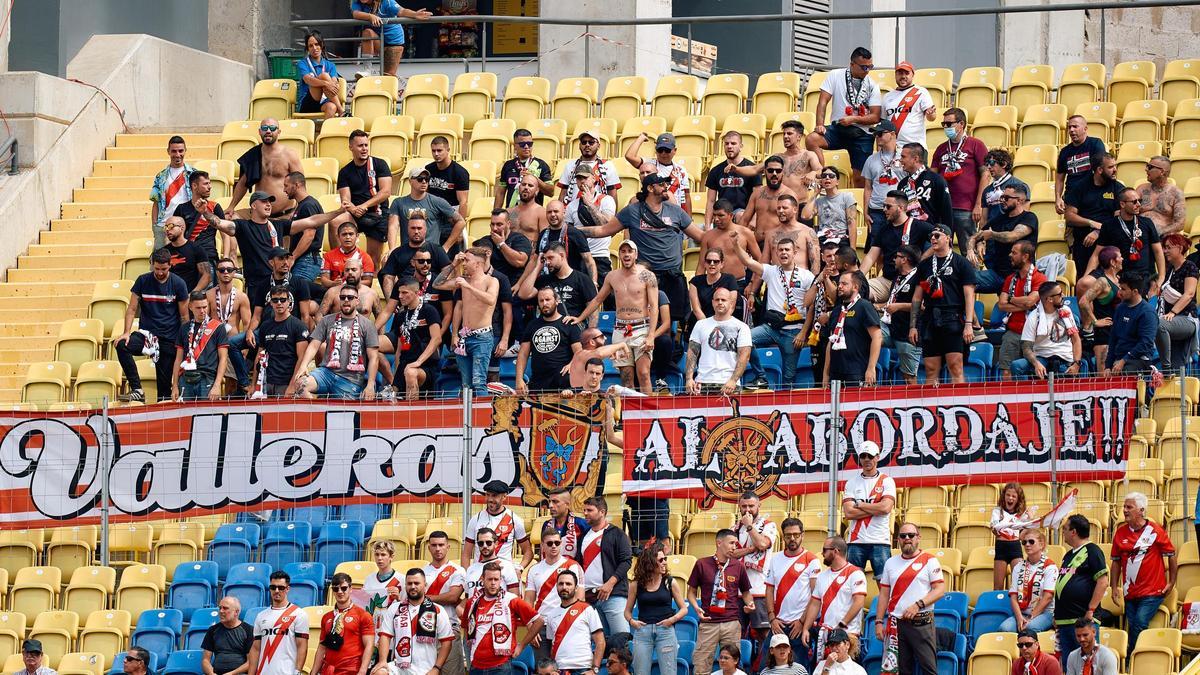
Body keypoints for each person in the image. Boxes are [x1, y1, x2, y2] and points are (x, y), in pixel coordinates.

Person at [576, 173, 705, 325]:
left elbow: (701, 237)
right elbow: (604, 230)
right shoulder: (632, 211)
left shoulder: (676, 211)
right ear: (650, 188)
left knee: (672, 324)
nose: (666, 188)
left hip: (672, 276)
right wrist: (574, 231)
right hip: (644, 276)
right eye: (662, 185)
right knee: (645, 320)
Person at [209, 192, 343, 307]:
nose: (268, 205)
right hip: (257, 285)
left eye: (269, 202)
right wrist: (205, 212)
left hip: (281, 281)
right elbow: (220, 223)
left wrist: (338, 212)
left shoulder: (278, 225)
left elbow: (311, 221)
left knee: (325, 293)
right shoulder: (243, 226)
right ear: (254, 206)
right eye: (264, 202)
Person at [571, 240, 658, 393]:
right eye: (623, 251)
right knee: (626, 377)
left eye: (629, 251)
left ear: (635, 254)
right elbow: (598, 299)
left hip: (641, 327)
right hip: (621, 329)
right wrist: (580, 317)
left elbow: (654, 306)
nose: (626, 254)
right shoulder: (612, 276)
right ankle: (626, 414)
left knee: (644, 373)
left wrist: (651, 335)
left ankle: (647, 414)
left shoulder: (647, 276)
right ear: (619, 255)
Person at [732, 232, 815, 388]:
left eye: (787, 250)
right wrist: (736, 245)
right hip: (771, 328)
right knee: (744, 338)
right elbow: (748, 262)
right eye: (781, 250)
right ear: (776, 253)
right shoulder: (771, 271)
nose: (783, 253)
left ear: (794, 252)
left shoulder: (807, 276)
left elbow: (812, 307)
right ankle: (761, 376)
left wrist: (803, 333)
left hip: (793, 332)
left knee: (788, 378)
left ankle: (785, 410)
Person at [115, 248, 190, 403]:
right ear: (151, 265)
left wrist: (184, 341)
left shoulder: (178, 283)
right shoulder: (142, 280)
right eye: (157, 268)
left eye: (164, 269)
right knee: (122, 344)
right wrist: (126, 332)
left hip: (169, 338)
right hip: (147, 335)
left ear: (170, 265)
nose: (160, 272)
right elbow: (132, 308)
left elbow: (184, 316)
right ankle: (137, 389)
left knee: (164, 390)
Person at [909, 223, 977, 384]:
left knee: (955, 366)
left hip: (953, 317)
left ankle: (959, 407)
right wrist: (913, 325)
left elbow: (969, 296)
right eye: (931, 236)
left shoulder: (961, 263)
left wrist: (968, 324)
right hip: (930, 319)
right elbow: (917, 298)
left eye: (937, 236)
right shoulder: (924, 265)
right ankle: (932, 408)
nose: (933, 238)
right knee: (931, 369)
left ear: (948, 238)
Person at [1111, 491, 1177, 654]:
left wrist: (1171, 582)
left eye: (1129, 507)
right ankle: (1138, 659)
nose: (1124, 510)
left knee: (1139, 623)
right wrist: (1113, 587)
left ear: (1141, 510)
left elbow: (1172, 555)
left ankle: (1131, 657)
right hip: (1130, 592)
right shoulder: (1120, 533)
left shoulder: (1155, 530)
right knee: (1133, 625)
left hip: (1153, 591)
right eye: (1124, 507)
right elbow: (1116, 562)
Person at [874, 524, 945, 675]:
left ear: (918, 538)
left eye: (911, 535)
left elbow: (939, 590)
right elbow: (884, 594)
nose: (907, 539)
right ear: (898, 539)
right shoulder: (890, 562)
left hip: (922, 623)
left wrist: (918, 605)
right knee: (902, 670)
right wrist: (879, 621)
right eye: (903, 536)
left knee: (929, 669)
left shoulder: (929, 560)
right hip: (897, 624)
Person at [806, 47, 881, 187]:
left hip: (862, 133)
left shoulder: (872, 85)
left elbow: (875, 117)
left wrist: (854, 119)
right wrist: (820, 124)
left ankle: (861, 206)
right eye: (864, 67)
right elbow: (823, 101)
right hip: (839, 129)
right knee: (812, 139)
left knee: (860, 179)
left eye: (870, 66)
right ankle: (821, 176)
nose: (867, 70)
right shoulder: (835, 75)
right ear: (852, 64)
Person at [289, 285, 379, 400]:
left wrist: (370, 384)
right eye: (343, 297)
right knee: (300, 383)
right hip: (326, 373)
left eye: (350, 297)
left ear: (357, 301)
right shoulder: (327, 320)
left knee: (343, 414)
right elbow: (314, 345)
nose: (346, 300)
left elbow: (374, 357)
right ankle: (316, 412)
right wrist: (303, 366)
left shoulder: (367, 324)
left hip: (350, 380)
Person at [688, 529, 753, 675]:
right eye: (731, 543)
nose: (734, 547)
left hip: (731, 622)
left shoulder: (738, 566)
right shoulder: (702, 564)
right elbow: (691, 592)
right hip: (708, 622)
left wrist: (750, 604)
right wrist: (696, 608)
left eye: (735, 544)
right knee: (701, 666)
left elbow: (746, 592)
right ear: (719, 543)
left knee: (732, 666)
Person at [463, 562, 544, 675]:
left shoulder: (511, 600)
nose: (493, 583)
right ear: (482, 579)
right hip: (476, 666)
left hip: (501, 666)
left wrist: (521, 646)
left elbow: (539, 621)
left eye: (496, 579)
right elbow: (466, 629)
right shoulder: (472, 603)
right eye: (490, 579)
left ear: (501, 580)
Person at [763, 518, 820, 671]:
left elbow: (816, 596)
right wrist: (772, 618)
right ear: (783, 537)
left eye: (796, 535)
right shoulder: (775, 559)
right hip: (778, 624)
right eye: (788, 536)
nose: (792, 539)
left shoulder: (812, 560)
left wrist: (802, 621)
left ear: (803, 535)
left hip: (798, 625)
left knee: (798, 669)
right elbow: (769, 590)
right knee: (766, 667)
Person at [373, 568, 454, 675]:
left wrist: (436, 668)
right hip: (399, 667)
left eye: (416, 583)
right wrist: (383, 661)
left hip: (426, 669)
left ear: (425, 586)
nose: (413, 587)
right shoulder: (394, 608)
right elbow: (385, 636)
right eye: (409, 583)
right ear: (405, 585)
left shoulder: (437, 610)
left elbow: (447, 642)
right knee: (379, 673)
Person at [1054, 515, 1109, 671]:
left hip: (1083, 620)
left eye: (1065, 529)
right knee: (1069, 667)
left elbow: (1102, 582)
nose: (1062, 532)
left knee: (1088, 666)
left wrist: (1090, 609)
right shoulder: (1068, 555)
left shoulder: (1092, 551)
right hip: (1065, 621)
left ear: (1074, 532)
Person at [801, 536, 866, 666]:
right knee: (824, 670)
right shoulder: (823, 576)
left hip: (847, 635)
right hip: (827, 635)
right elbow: (815, 604)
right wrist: (806, 628)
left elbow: (859, 602)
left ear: (835, 551)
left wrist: (842, 625)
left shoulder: (855, 573)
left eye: (825, 550)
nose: (822, 554)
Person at [625, 542, 687, 675]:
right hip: (643, 631)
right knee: (641, 672)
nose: (664, 562)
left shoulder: (670, 582)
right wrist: (632, 621)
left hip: (665, 631)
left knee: (669, 672)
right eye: (660, 560)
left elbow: (684, 609)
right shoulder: (636, 584)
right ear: (650, 563)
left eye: (665, 559)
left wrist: (672, 620)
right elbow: (627, 611)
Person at [576, 496, 633, 639]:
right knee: (599, 645)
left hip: (613, 596)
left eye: (590, 510)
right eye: (584, 510)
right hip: (590, 598)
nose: (586, 513)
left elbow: (626, 561)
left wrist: (610, 584)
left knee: (621, 640)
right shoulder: (583, 537)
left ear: (602, 512)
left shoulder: (617, 533)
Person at [931, 107, 988, 248]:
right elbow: (932, 177)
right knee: (940, 249)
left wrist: (978, 204)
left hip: (966, 208)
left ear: (961, 124)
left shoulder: (976, 145)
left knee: (969, 250)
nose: (946, 127)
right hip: (943, 208)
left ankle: (973, 272)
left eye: (949, 124)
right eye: (943, 124)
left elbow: (985, 174)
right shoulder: (941, 148)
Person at [861, 191, 932, 304]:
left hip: (910, 281)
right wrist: (858, 278)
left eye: (888, 206)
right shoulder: (884, 229)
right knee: (854, 289)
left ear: (901, 207)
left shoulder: (918, 226)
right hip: (887, 281)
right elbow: (871, 256)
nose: (884, 209)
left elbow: (943, 237)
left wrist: (923, 258)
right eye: (883, 206)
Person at [334, 129, 392, 268]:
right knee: (336, 221)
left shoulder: (379, 164)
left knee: (373, 261)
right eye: (360, 145)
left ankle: (370, 286)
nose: (364, 148)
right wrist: (353, 209)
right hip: (355, 214)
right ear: (351, 147)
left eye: (366, 145)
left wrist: (364, 206)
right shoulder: (345, 171)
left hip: (376, 214)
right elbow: (345, 199)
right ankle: (338, 264)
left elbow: (386, 192)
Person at [379, 276, 443, 400]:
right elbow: (399, 349)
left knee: (410, 372)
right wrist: (397, 376)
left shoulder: (429, 311)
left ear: (417, 292)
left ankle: (411, 415)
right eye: (399, 293)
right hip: (405, 365)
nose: (400, 296)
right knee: (389, 393)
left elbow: (437, 339)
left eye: (404, 293)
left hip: (425, 366)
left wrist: (418, 362)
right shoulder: (401, 316)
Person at [968, 183, 1038, 295]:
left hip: (1020, 276)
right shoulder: (999, 219)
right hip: (997, 275)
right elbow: (976, 236)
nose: (1002, 201)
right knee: (963, 278)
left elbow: (1012, 236)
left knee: (1008, 307)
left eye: (1006, 198)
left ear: (1019, 200)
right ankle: (969, 313)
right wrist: (973, 247)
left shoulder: (1029, 217)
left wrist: (991, 234)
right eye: (1001, 197)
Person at [1085, 187, 1163, 287]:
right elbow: (1096, 255)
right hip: (1119, 279)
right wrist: (1086, 277)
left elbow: (1158, 251)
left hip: (1144, 278)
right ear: (1122, 204)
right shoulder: (1109, 225)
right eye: (1134, 202)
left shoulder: (1147, 223)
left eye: (1139, 201)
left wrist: (1161, 278)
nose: (1139, 204)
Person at [840, 440, 895, 579]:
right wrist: (876, 507)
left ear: (877, 457)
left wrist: (862, 505)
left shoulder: (887, 481)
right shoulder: (852, 482)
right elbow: (849, 513)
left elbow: (886, 508)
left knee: (884, 585)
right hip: (856, 541)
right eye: (863, 456)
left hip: (880, 540)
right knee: (852, 584)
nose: (866, 459)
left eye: (870, 456)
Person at [451, 247, 501, 396]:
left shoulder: (492, 280)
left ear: (478, 264)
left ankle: (483, 418)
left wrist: (468, 287)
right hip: (464, 337)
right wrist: (453, 265)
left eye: (467, 260)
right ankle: (469, 419)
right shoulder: (464, 281)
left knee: (479, 381)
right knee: (466, 384)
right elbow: (438, 284)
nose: (464, 263)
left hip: (482, 337)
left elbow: (491, 299)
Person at [684, 286, 752, 395]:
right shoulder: (700, 324)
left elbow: (744, 356)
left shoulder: (742, 327)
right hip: (702, 382)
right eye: (717, 300)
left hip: (729, 384)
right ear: (712, 302)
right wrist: (689, 378)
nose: (720, 302)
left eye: (723, 300)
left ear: (731, 303)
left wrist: (733, 380)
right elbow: (692, 352)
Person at [228, 120, 303, 218]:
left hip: (285, 216)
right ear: (259, 132)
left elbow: (300, 184)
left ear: (279, 132)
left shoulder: (289, 155)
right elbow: (242, 184)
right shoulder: (254, 155)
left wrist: (303, 207)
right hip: (257, 216)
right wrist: (231, 206)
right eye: (264, 128)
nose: (268, 131)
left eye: (272, 128)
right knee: (228, 218)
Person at [1064, 153, 1124, 274]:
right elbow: (1069, 216)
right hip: (1084, 242)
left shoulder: (1117, 188)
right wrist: (1092, 223)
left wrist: (1099, 231)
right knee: (1084, 281)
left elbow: (1120, 218)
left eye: (1115, 166)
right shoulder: (1080, 187)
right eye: (1111, 167)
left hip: (1109, 243)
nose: (1115, 170)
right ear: (1099, 170)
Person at [517, 287, 583, 395]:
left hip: (563, 381)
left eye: (548, 300)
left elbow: (579, 352)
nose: (544, 303)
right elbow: (523, 354)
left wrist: (572, 364)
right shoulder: (532, 325)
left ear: (556, 301)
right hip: (539, 381)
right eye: (541, 301)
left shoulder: (568, 323)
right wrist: (519, 379)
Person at [995, 241, 1047, 380]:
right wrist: (1023, 304)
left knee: (1035, 372)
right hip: (1013, 332)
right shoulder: (1010, 279)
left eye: (1014, 252)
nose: (1010, 255)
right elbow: (1001, 305)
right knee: (1006, 371)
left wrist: (1011, 298)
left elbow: (1031, 301)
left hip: (1033, 334)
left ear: (1025, 256)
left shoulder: (1040, 278)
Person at [731, 492, 778, 646]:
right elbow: (731, 554)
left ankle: (765, 667)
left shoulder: (768, 525)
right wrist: (752, 549)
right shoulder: (735, 528)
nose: (747, 510)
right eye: (744, 506)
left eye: (751, 506)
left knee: (763, 633)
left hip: (759, 588)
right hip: (738, 590)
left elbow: (763, 544)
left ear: (759, 506)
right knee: (736, 634)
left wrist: (749, 526)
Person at [1012, 281, 1083, 380]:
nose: (1063, 295)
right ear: (1049, 299)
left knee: (1075, 368)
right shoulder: (1034, 317)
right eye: (1059, 294)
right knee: (1017, 365)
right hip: (1041, 358)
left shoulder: (1066, 310)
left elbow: (1076, 340)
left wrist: (1076, 363)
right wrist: (1036, 364)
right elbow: (1026, 348)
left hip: (1065, 357)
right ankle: (1025, 395)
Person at [389, 166, 467, 254]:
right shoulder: (399, 203)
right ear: (410, 181)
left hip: (431, 253)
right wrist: (392, 249)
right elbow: (393, 226)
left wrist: (446, 247)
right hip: (408, 252)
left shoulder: (437, 201)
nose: (424, 182)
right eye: (420, 179)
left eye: (426, 179)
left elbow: (461, 222)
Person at [541, 570, 606, 675]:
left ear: (576, 588)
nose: (564, 587)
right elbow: (551, 644)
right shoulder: (551, 614)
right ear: (556, 587)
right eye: (561, 584)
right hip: (559, 669)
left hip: (583, 668)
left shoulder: (587, 609)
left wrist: (595, 670)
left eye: (568, 584)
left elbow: (600, 642)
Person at [823, 271, 881, 387]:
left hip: (857, 371)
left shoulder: (864, 306)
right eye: (839, 283)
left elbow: (877, 337)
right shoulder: (836, 311)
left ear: (855, 287)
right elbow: (831, 342)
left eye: (844, 284)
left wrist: (871, 368)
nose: (839, 286)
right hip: (836, 372)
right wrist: (826, 373)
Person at [874, 246, 922, 384]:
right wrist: (878, 306)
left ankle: (915, 404)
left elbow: (924, 306)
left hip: (909, 332)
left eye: (897, 257)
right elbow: (893, 300)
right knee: (869, 336)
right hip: (890, 326)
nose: (894, 259)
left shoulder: (920, 277)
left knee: (909, 377)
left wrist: (899, 307)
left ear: (904, 260)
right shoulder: (897, 277)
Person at [170, 291, 229, 401]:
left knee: (207, 416)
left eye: (205, 307)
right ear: (190, 307)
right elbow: (178, 359)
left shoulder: (218, 327)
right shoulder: (184, 328)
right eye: (198, 308)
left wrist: (217, 385)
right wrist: (174, 386)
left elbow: (223, 359)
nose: (202, 311)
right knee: (186, 416)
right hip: (185, 378)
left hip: (207, 378)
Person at [311, 573, 374, 675]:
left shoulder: (363, 615)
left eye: (344, 588)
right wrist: (313, 673)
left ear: (350, 589)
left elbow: (369, 645)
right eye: (336, 589)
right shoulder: (326, 617)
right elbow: (322, 647)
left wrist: (362, 671)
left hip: (351, 670)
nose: (340, 592)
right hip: (328, 670)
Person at [999, 528, 1059, 634]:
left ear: (1041, 544)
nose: (1027, 545)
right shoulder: (1018, 566)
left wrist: (1031, 617)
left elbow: (1048, 597)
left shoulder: (1050, 566)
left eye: (1031, 541)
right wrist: (1019, 618)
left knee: (1029, 629)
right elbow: (1013, 597)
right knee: (1005, 629)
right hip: (1022, 612)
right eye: (1024, 542)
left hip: (1045, 613)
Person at [423, 533, 467, 675]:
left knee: (452, 672)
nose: (438, 548)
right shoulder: (422, 572)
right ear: (428, 548)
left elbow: (453, 597)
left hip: (449, 628)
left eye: (441, 545)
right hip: (424, 630)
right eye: (434, 545)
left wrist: (424, 598)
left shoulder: (457, 570)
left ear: (448, 547)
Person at [248, 572, 308, 675]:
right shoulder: (261, 616)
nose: (276, 591)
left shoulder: (299, 614)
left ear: (287, 589)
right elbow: (255, 648)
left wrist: (297, 672)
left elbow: (302, 646)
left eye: (281, 588)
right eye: (273, 587)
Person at [349, 0, 432, 76]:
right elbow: (356, 14)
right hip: (379, 39)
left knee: (388, 76)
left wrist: (415, 14)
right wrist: (370, 16)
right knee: (367, 32)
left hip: (394, 42)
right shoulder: (357, 2)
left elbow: (402, 11)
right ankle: (368, 70)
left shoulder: (387, 2)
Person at [1155, 232, 1199, 373]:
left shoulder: (1190, 267)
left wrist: (1172, 312)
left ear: (1180, 249)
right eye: (1164, 247)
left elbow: (1189, 294)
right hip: (1172, 320)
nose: (1164, 251)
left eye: (1168, 247)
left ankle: (1165, 367)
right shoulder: (1170, 270)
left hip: (1187, 318)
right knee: (1177, 366)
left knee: (1160, 325)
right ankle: (1171, 376)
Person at [463, 480, 532, 568]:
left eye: (494, 496)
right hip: (480, 574)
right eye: (488, 495)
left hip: (505, 575)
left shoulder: (514, 519)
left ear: (504, 497)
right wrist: (467, 575)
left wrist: (520, 569)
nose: (490, 499)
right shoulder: (476, 519)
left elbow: (528, 552)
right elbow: (466, 553)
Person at [740, 156, 801, 253]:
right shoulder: (757, 193)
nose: (774, 174)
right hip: (756, 244)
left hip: (777, 245)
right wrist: (742, 242)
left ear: (783, 172)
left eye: (778, 171)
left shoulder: (789, 195)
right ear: (764, 171)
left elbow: (792, 225)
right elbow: (744, 220)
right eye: (771, 170)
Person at [1103, 270, 1158, 377]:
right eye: (1120, 288)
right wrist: (1108, 366)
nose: (1119, 292)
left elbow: (1145, 343)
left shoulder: (1147, 313)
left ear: (1135, 291)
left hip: (1139, 360)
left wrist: (1124, 360)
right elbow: (1113, 339)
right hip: (1120, 360)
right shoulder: (1120, 308)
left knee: (1126, 372)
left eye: (1123, 289)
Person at [172, 170, 225, 276]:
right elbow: (174, 233)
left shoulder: (215, 207)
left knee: (208, 292)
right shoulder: (182, 209)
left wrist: (226, 256)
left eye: (210, 183)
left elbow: (226, 234)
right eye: (206, 184)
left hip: (208, 257)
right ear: (194, 186)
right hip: (187, 257)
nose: (210, 187)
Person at [526, 526, 585, 619]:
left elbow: (580, 599)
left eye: (557, 543)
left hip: (565, 622)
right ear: (542, 545)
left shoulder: (574, 566)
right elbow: (528, 601)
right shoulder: (533, 570)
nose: (554, 546)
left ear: (561, 544)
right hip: (542, 623)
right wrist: (530, 624)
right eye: (549, 543)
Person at [625, 131, 692, 212]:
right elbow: (629, 156)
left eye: (667, 150)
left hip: (675, 214)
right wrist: (641, 138)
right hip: (652, 211)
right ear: (656, 150)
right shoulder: (649, 165)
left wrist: (689, 219)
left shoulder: (681, 170)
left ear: (675, 150)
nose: (663, 153)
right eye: (660, 150)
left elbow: (686, 196)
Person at [1079, 247, 1123, 368]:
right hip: (1104, 333)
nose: (1122, 259)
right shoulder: (1103, 281)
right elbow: (1084, 301)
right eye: (1120, 256)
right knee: (1103, 373)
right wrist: (1095, 321)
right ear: (1113, 262)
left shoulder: (1118, 279)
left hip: (1117, 331)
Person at [705, 131, 761, 224]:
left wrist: (754, 220)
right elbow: (710, 201)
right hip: (722, 214)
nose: (729, 146)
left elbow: (758, 199)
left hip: (744, 214)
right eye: (726, 144)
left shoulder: (751, 169)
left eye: (733, 143)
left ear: (741, 146)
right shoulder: (715, 171)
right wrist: (707, 226)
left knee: (740, 215)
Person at [860, 121, 907, 234]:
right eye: (875, 134)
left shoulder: (904, 156)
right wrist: (866, 212)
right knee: (875, 246)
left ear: (892, 134)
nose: (877, 137)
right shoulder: (871, 159)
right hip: (876, 209)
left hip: (898, 209)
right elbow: (867, 187)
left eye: (880, 133)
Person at [1055, 115, 1108, 215]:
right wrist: (1058, 198)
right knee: (1072, 229)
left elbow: (1100, 170)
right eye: (1069, 127)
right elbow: (1059, 178)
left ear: (1085, 128)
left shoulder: (1095, 144)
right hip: (1071, 200)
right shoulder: (1064, 152)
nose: (1071, 130)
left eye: (1075, 126)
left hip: (1092, 198)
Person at [898, 143, 954, 237]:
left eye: (903, 157)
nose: (900, 160)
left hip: (931, 235)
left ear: (915, 159)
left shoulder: (936, 180)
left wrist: (947, 237)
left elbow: (946, 212)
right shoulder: (903, 184)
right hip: (909, 234)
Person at [149, 136, 194, 248]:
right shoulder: (160, 176)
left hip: (186, 225)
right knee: (160, 261)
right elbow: (156, 202)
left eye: (181, 151)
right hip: (163, 226)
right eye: (174, 151)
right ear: (168, 151)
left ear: (185, 151)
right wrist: (155, 226)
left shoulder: (193, 174)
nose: (177, 154)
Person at [280, 172, 324, 282]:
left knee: (299, 294)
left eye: (286, 186)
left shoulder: (308, 205)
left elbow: (309, 234)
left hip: (306, 260)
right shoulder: (302, 205)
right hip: (304, 259)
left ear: (297, 185)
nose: (284, 190)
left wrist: (293, 257)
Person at [882, 61, 937, 149]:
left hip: (916, 148)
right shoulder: (887, 97)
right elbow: (883, 124)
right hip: (893, 148)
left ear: (912, 75)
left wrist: (930, 114)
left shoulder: (921, 92)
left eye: (907, 73)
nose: (903, 76)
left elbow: (932, 118)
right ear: (895, 75)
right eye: (900, 73)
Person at [558, 131, 622, 204]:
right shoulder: (570, 165)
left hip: (599, 209)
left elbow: (612, 194)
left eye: (591, 142)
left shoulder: (607, 165)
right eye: (584, 142)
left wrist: (611, 214)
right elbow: (563, 192)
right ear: (579, 145)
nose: (587, 145)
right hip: (573, 210)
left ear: (598, 146)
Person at [496, 128, 554, 209]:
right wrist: (495, 214)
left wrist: (535, 179)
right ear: (515, 146)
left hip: (533, 214)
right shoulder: (508, 165)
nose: (526, 147)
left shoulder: (541, 165)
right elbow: (500, 193)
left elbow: (551, 192)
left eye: (529, 144)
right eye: (522, 144)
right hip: (512, 214)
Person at [990, 483, 1031, 590]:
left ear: (1018, 499)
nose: (1010, 498)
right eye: (1008, 495)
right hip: (1001, 547)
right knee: (998, 586)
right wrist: (996, 528)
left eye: (1014, 496)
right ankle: (998, 606)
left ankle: (1017, 606)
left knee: (1018, 585)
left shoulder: (1022, 515)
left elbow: (1022, 536)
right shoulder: (997, 511)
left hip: (1015, 547)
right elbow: (995, 531)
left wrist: (1028, 522)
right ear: (1004, 496)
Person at [690, 247, 743, 326]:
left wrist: (718, 326)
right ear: (704, 263)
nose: (712, 264)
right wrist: (707, 327)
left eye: (716, 261)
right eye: (708, 261)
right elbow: (696, 309)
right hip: (701, 322)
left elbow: (731, 307)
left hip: (723, 323)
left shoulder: (730, 280)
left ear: (722, 264)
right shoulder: (695, 281)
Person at [201, 597, 253, 675]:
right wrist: (212, 673)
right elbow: (205, 660)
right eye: (220, 608)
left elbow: (251, 662)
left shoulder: (248, 630)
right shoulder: (212, 630)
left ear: (236, 612)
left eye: (225, 608)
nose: (221, 611)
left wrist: (231, 674)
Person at [464, 528, 522, 597]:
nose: (484, 546)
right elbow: (467, 598)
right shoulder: (471, 569)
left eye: (488, 543)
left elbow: (515, 598)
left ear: (496, 543)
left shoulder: (507, 566)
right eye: (481, 543)